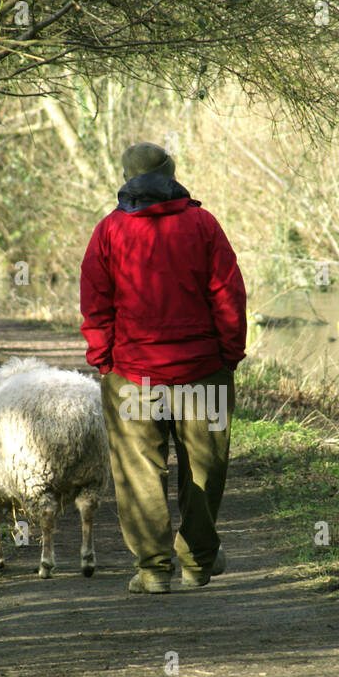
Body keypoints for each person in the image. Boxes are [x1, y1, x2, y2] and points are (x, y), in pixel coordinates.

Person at [80, 142, 247, 593]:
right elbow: (228, 296)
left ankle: (154, 571)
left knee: (138, 472)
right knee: (205, 469)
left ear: (126, 177)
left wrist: (104, 359)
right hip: (202, 371)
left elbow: (96, 304)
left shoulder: (109, 232)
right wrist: (229, 354)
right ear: (172, 175)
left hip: (132, 374)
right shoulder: (203, 225)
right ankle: (197, 563)